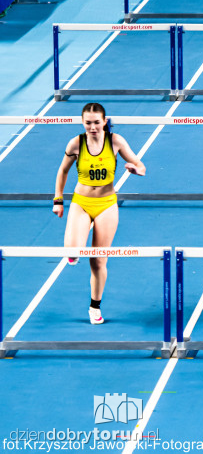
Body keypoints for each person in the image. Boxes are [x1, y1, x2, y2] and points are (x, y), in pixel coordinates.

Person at [53, 102, 146, 325]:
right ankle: (80, 233)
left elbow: (141, 165)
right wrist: (58, 200)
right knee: (73, 253)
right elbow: (63, 171)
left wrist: (135, 170)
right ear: (82, 122)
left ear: (104, 121)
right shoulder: (76, 143)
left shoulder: (115, 141)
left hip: (106, 205)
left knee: (98, 261)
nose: (92, 127)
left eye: (96, 122)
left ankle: (94, 307)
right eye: (88, 123)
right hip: (81, 202)